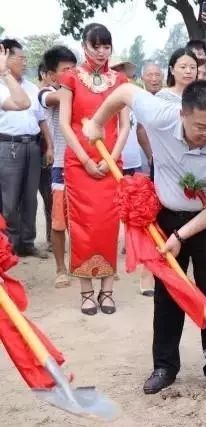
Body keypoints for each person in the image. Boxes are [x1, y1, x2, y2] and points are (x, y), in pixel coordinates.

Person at [84, 79, 206, 393]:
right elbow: (124, 92)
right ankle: (165, 366)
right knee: (168, 293)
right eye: (201, 126)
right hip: (166, 216)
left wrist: (181, 236)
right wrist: (98, 123)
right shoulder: (160, 115)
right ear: (182, 114)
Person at [58, 23, 130, 315]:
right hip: (79, 164)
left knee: (109, 225)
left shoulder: (120, 80)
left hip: (110, 162)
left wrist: (111, 158)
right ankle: (86, 291)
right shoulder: (70, 78)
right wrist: (86, 160)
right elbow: (65, 123)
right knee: (82, 225)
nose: (101, 52)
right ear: (84, 46)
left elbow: (124, 126)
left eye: (106, 46)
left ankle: (107, 290)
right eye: (95, 46)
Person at [0, 39, 51, 259]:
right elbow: (20, 104)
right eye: (20, 58)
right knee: (9, 200)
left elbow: (41, 119)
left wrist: (49, 146)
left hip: (32, 144)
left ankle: (27, 243)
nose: (25, 62)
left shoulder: (31, 87)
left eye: (25, 58)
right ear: (6, 58)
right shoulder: (1, 86)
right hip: (8, 146)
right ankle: (10, 244)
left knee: (30, 198)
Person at [38, 45, 78, 288]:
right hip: (62, 166)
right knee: (59, 222)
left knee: (83, 220)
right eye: (66, 70)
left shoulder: (80, 92)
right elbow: (52, 98)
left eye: (74, 69)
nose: (72, 74)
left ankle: (82, 263)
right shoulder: (48, 93)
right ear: (52, 75)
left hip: (83, 165)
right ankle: (61, 268)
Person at [36, 62, 54, 253]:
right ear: (44, 74)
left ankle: (51, 238)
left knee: (50, 196)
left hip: (47, 149)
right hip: (38, 148)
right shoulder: (41, 94)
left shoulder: (52, 92)